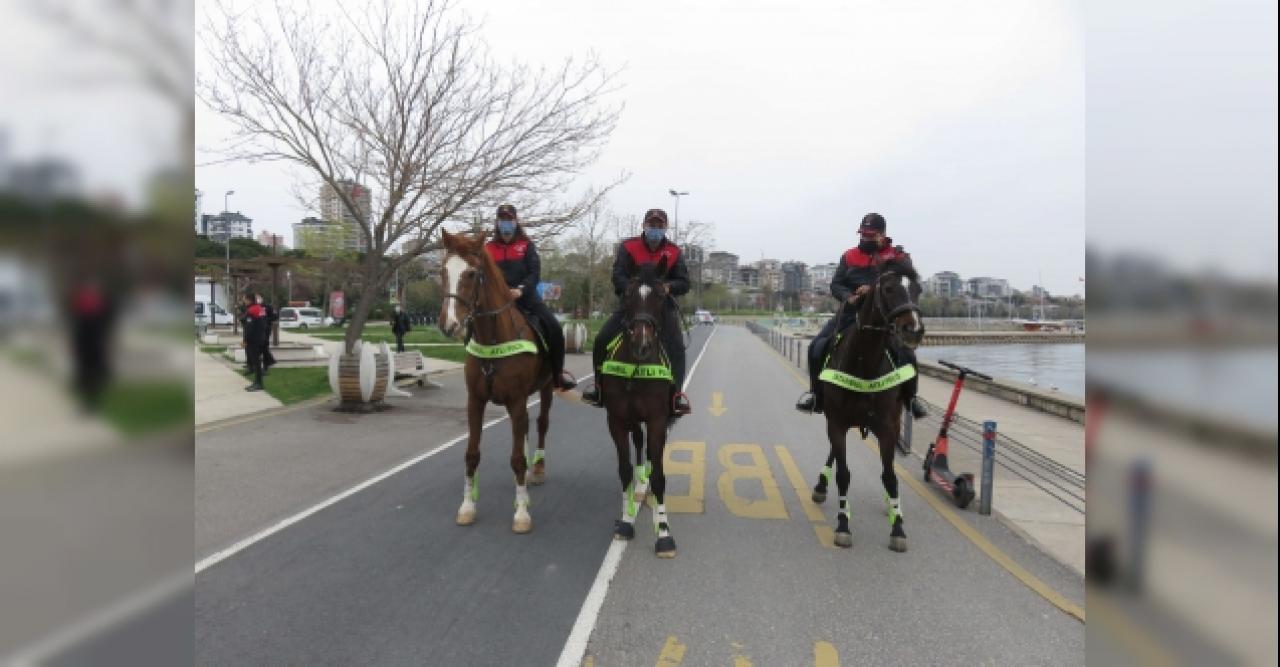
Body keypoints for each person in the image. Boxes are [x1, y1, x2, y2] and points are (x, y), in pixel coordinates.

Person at [795, 212, 927, 418]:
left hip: (883, 316)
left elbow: (908, 278)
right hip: (850, 312)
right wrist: (848, 296)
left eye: (870, 234)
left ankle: (911, 399)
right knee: (817, 346)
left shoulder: (895, 255)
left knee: (907, 353)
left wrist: (872, 287)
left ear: (882, 234)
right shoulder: (849, 255)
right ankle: (816, 395)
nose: (865, 237)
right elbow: (836, 284)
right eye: (863, 233)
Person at [581, 209, 692, 416]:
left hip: (662, 309)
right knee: (602, 339)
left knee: (677, 345)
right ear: (644, 225)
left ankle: (676, 395)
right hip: (631, 307)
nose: (655, 230)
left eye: (659, 226)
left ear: (665, 228)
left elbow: (684, 282)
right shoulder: (628, 247)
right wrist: (630, 288)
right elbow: (618, 275)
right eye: (652, 225)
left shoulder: (675, 252)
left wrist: (668, 287)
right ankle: (598, 387)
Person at [484, 204, 576, 390]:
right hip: (497, 300)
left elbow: (535, 273)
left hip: (526, 298)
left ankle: (557, 375)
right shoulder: (488, 248)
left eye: (509, 219)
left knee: (555, 328)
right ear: (497, 222)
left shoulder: (526, 245)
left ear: (516, 222)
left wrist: (520, 289)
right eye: (502, 220)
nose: (506, 223)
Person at [241, 291, 268, 392]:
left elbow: (249, 328)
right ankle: (257, 382)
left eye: (244, 298)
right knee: (257, 361)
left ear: (249, 299)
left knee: (256, 362)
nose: (243, 300)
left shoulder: (251, 310)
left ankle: (259, 383)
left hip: (253, 340)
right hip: (261, 338)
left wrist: (245, 340)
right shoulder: (260, 309)